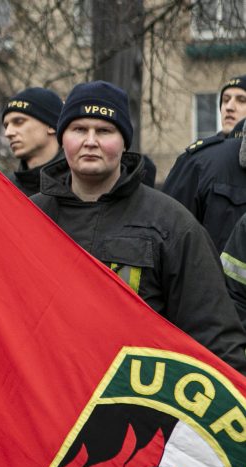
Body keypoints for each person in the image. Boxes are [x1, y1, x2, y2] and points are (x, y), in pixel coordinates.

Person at [29, 81, 246, 374]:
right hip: (44, 400)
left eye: (104, 131)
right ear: (62, 137)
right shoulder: (27, 217)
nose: (90, 141)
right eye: (79, 129)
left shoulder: (172, 224)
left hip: (140, 408)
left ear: (124, 142)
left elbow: (216, 339)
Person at [161, 119, 246, 252]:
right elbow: (166, 238)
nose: (229, 107)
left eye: (242, 100)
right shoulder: (201, 164)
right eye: (226, 99)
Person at [0, 87, 64, 196]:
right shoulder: (4, 190)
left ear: (51, 126)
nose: (8, 133)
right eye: (6, 126)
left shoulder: (79, 184)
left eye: (19, 122)